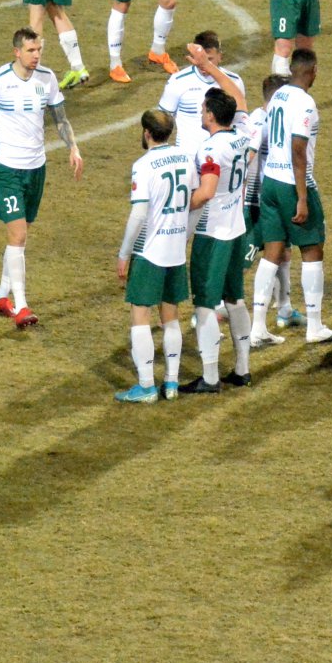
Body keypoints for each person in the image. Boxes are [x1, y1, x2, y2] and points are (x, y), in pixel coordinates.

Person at [0, 28, 84, 330]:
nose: (36, 55)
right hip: (6, 168)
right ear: (17, 52)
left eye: (39, 49)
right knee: (17, 236)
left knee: (20, 237)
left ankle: (2, 297)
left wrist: (73, 148)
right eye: (30, 50)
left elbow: (61, 118)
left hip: (36, 168)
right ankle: (22, 305)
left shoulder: (47, 78)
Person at [249, 47, 332, 346]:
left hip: (270, 182)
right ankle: (315, 326)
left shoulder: (278, 95)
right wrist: (302, 197)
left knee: (271, 253)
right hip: (292, 185)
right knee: (312, 251)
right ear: (313, 71)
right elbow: (298, 149)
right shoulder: (305, 103)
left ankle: (257, 328)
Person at [179, 81, 256, 393]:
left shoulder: (211, 148)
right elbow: (240, 101)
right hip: (237, 229)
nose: (201, 113)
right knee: (235, 298)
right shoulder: (242, 136)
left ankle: (210, 377)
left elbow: (206, 192)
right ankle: (242, 369)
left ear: (211, 115)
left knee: (205, 304)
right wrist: (211, 69)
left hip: (213, 234)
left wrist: (179, 206)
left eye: (203, 109)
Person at [116, 109, 196, 402]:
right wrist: (184, 234)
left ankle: (147, 386)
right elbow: (197, 203)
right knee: (170, 316)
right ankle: (172, 383)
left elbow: (138, 215)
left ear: (147, 133)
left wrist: (124, 253)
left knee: (140, 314)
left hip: (149, 250)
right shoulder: (186, 158)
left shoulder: (143, 165)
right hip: (176, 250)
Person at [245, 73, 301, 346]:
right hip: (257, 201)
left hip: (276, 197)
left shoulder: (277, 117)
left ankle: (284, 309)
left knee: (283, 252)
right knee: (245, 258)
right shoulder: (259, 120)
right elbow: (249, 154)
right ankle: (212, 307)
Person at [157, 30, 245, 158]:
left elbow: (240, 119)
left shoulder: (234, 82)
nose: (204, 64)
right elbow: (162, 121)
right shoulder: (178, 81)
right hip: (188, 158)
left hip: (222, 157)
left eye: (209, 59)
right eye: (200, 59)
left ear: (220, 56)